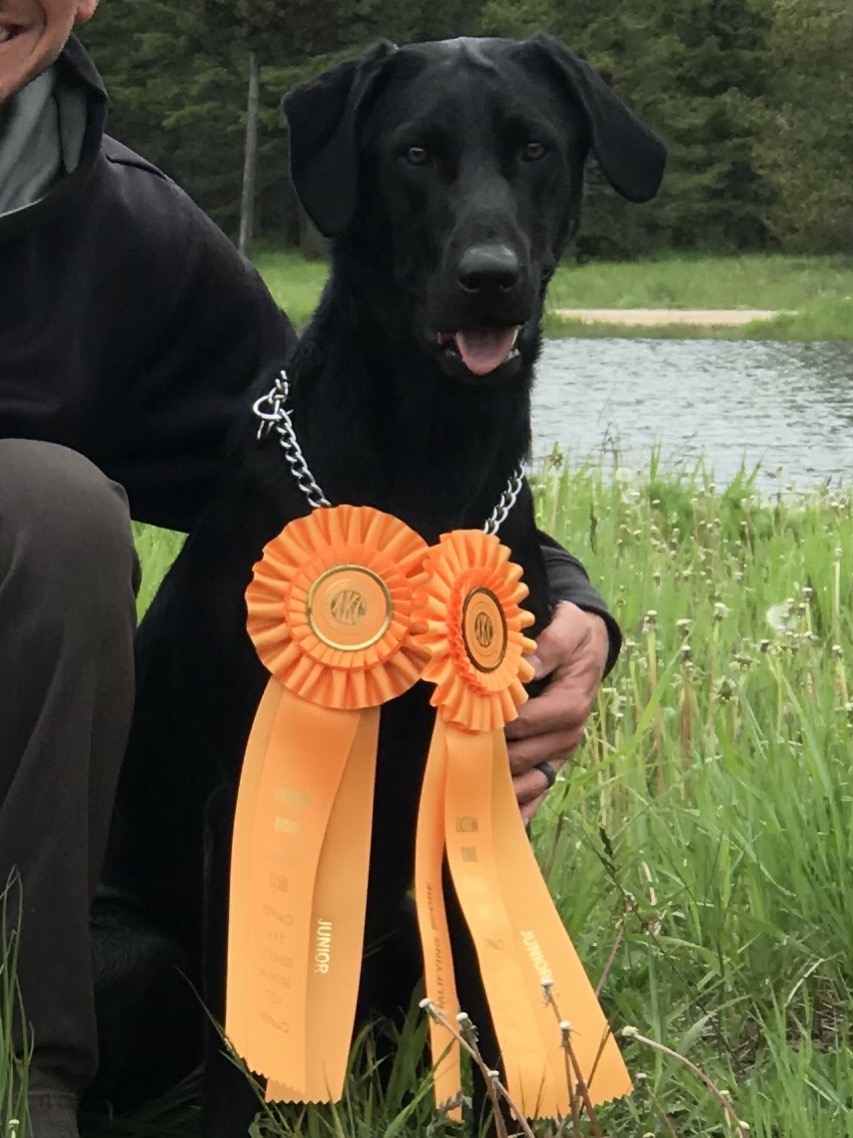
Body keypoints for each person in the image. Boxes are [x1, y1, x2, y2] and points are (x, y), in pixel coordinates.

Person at [0, 3, 621, 1136]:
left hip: (77, 873)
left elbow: (306, 451)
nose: (488, 240)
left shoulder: (130, 233)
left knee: (53, 510)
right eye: (425, 161)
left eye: (529, 155)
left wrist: (566, 602)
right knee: (46, 502)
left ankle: (37, 1074)